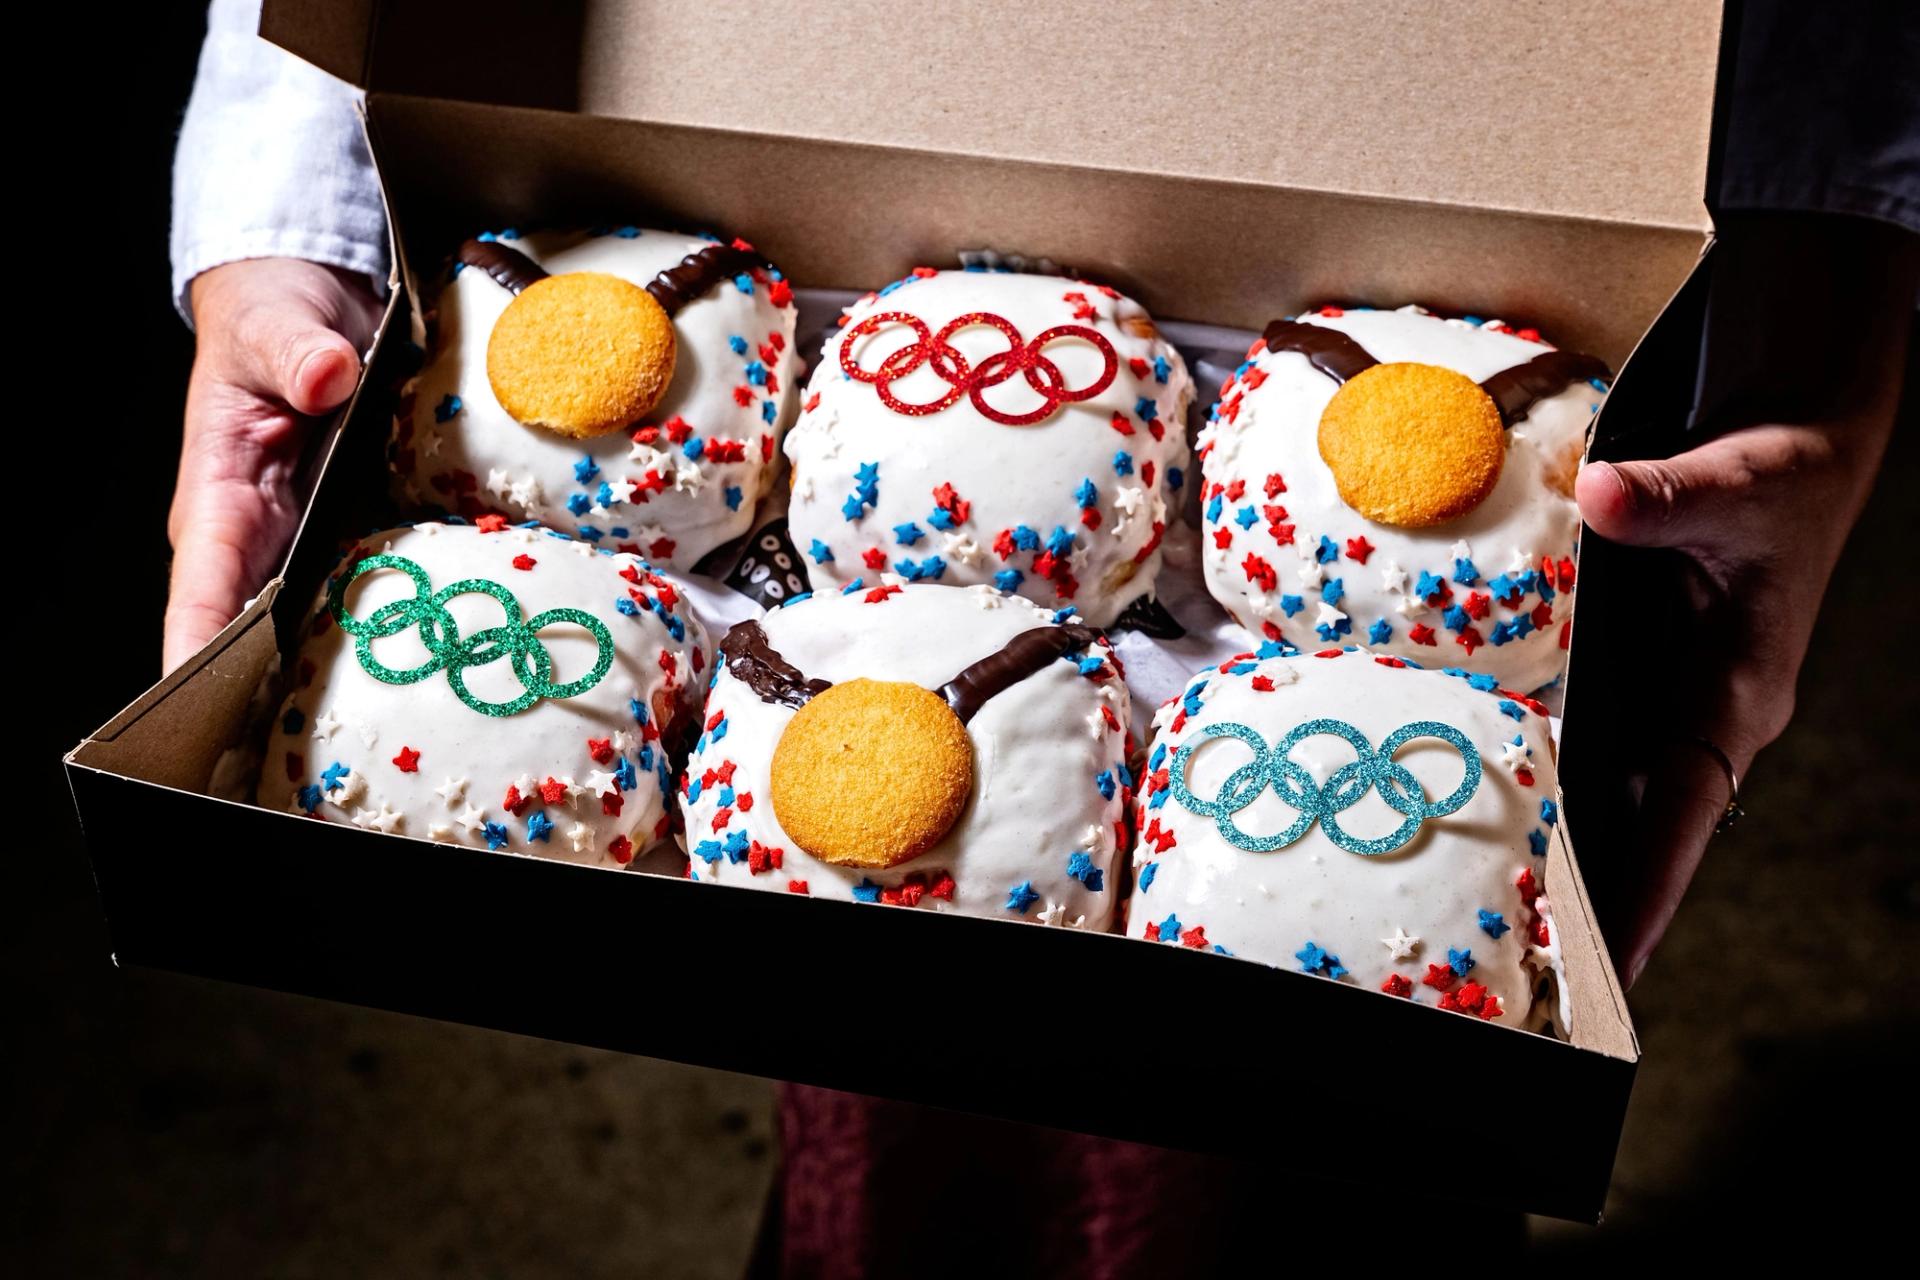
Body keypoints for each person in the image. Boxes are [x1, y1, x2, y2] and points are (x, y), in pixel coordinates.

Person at [171, 0, 1915, 1272]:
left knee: (1366, 1137)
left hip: (1520, 103)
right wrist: (296, 190)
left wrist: (1825, 317)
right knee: (901, 1077)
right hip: (780, 70)